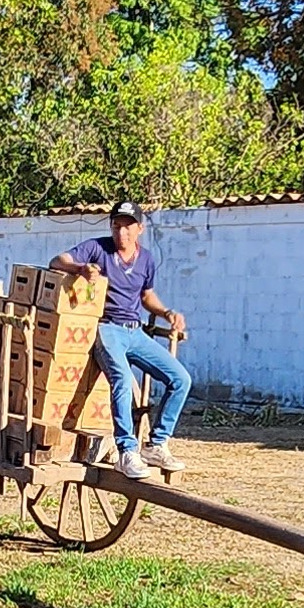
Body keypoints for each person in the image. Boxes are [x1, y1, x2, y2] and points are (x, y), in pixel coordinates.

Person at [52, 200, 192, 480]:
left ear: (139, 229)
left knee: (181, 379)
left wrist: (167, 313)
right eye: (116, 226)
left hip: (134, 331)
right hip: (106, 329)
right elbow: (58, 261)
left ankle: (156, 444)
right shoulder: (97, 248)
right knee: (121, 380)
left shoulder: (147, 259)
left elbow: (146, 296)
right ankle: (127, 451)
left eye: (128, 227)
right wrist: (81, 269)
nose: (121, 233)